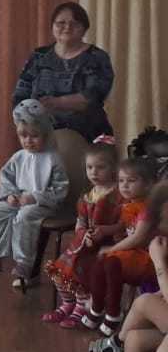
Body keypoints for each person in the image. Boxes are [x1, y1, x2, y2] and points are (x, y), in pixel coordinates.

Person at [0, 99, 69, 286]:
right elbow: (7, 178)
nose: (28, 140)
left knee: (25, 217)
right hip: (20, 198)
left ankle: (24, 263)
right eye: (24, 136)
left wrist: (34, 197)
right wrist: (9, 195)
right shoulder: (18, 157)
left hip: (43, 203)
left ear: (45, 134)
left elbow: (60, 188)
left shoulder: (53, 159)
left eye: (34, 136)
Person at [42, 139, 124, 328]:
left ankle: (81, 309)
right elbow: (81, 220)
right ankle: (67, 305)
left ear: (113, 168)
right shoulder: (88, 193)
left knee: (81, 272)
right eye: (90, 167)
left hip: (107, 244)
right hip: (84, 242)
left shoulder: (118, 195)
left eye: (100, 167)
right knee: (60, 270)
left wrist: (104, 231)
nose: (94, 172)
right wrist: (81, 232)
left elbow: (123, 224)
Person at [12, 2, 114, 143]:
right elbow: (20, 95)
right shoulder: (39, 56)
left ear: (85, 29)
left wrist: (59, 103)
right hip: (40, 135)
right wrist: (26, 121)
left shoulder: (97, 57)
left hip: (89, 135)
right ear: (52, 27)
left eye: (75, 24)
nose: (67, 28)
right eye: (61, 23)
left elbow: (93, 97)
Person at [83, 158, 160, 335]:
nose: (124, 185)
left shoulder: (147, 208)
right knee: (100, 263)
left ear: (148, 185)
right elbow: (122, 227)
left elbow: (137, 238)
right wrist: (103, 230)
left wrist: (112, 249)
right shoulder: (129, 204)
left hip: (147, 256)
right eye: (121, 180)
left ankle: (113, 313)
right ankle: (97, 308)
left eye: (131, 181)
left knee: (111, 262)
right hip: (132, 252)